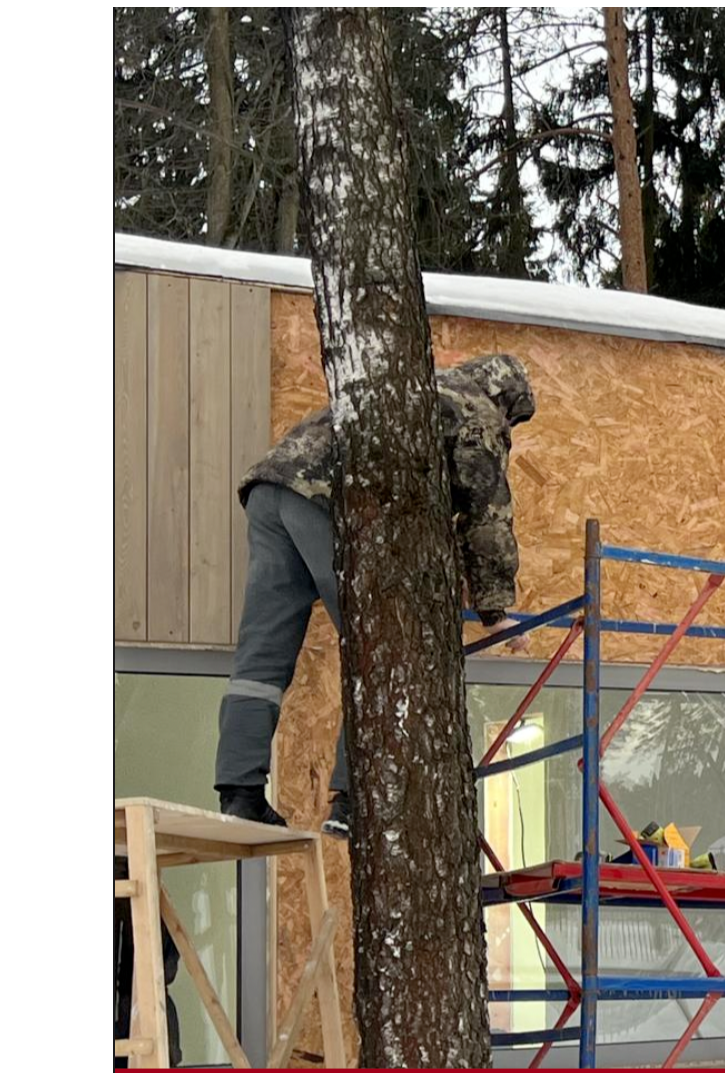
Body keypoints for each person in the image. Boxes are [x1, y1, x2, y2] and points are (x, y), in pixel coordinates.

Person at [215, 353, 538, 838]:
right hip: (324, 499)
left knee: (263, 656)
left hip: (271, 489)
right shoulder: (478, 411)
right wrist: (494, 612)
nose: (508, 428)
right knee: (384, 645)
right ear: (507, 401)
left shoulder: (417, 391)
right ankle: (352, 798)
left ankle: (239, 794)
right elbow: (486, 512)